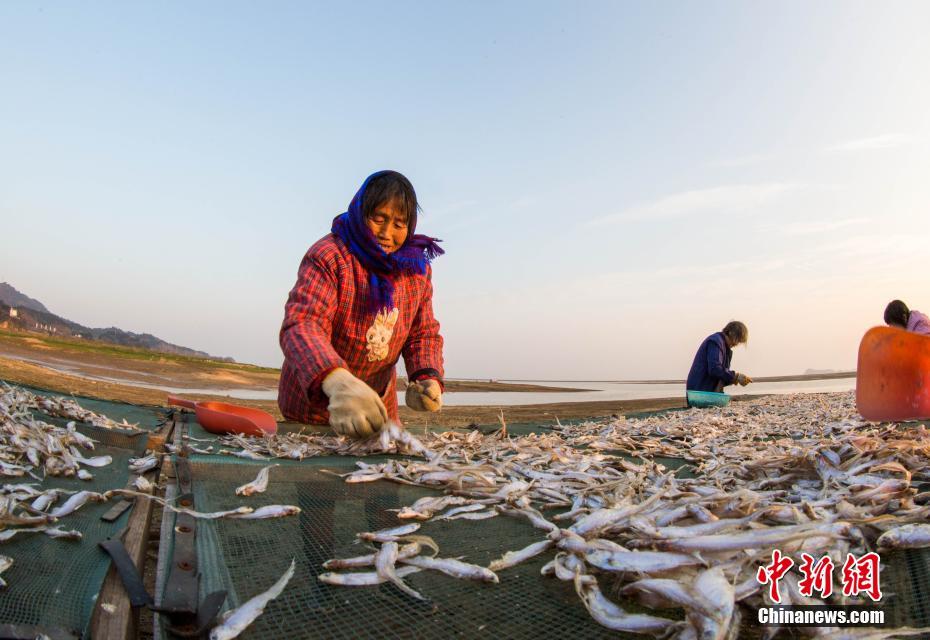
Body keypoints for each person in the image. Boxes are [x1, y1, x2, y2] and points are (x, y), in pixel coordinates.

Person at [278, 170, 445, 439]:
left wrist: (427, 378)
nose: (387, 233)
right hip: (317, 407)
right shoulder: (330, 256)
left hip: (379, 406)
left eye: (399, 224)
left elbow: (422, 332)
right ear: (360, 212)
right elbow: (303, 324)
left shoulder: (415, 269)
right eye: (378, 219)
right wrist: (337, 382)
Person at [686, 321, 752, 397]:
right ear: (730, 333)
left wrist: (735, 380)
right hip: (699, 391)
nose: (736, 344)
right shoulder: (716, 341)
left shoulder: (724, 347)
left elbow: (720, 376)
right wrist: (735, 376)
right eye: (737, 339)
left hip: (706, 391)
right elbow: (715, 369)